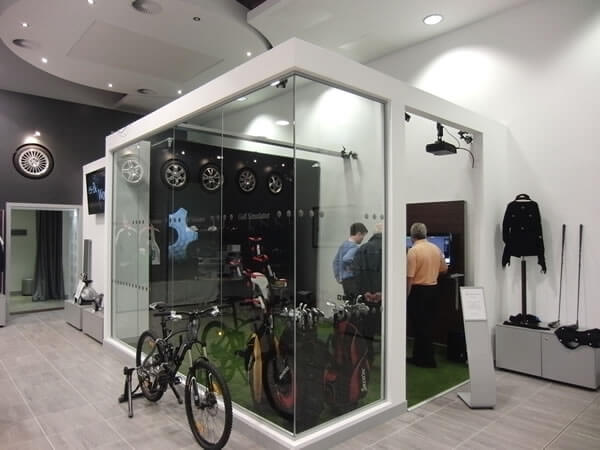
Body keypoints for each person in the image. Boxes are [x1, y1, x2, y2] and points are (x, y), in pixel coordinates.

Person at [406, 222, 447, 368]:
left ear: (412, 235)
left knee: (419, 327)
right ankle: (422, 357)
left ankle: (425, 359)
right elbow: (444, 269)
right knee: (428, 325)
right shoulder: (436, 248)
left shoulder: (413, 251)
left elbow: (410, 278)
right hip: (433, 290)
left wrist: (406, 296)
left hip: (418, 292)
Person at [332, 222, 368, 301]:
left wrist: (339, 277)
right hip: (352, 280)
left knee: (348, 303)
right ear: (358, 234)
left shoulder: (343, 245)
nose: (363, 238)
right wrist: (354, 267)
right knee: (355, 304)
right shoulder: (355, 247)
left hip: (345, 281)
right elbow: (346, 259)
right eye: (363, 236)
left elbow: (335, 262)